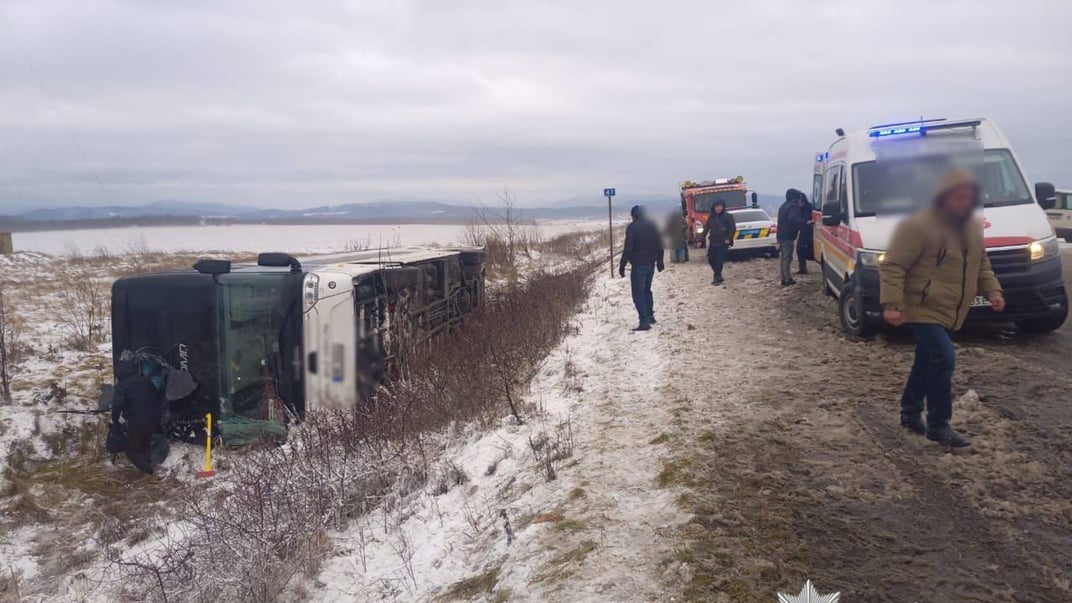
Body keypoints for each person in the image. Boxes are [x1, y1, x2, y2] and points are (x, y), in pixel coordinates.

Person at [880, 167, 1005, 448]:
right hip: (922, 306)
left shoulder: (972, 227)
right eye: (959, 196)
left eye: (969, 197)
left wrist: (993, 291)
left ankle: (910, 412)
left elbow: (980, 264)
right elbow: (893, 265)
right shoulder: (917, 225)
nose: (964, 202)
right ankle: (939, 424)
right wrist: (891, 304)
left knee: (927, 359)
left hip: (951, 307)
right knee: (944, 357)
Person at [111, 356, 164, 474]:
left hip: (138, 421)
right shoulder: (146, 380)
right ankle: (148, 465)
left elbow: (117, 405)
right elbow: (156, 397)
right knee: (145, 444)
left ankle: (149, 471)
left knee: (132, 449)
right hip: (154, 419)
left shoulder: (123, 386)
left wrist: (115, 420)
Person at [619, 205, 665, 331]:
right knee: (647, 291)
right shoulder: (652, 225)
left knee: (638, 293)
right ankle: (650, 316)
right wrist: (660, 261)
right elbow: (659, 244)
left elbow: (628, 248)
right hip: (651, 263)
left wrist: (622, 265)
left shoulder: (632, 228)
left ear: (633, 215)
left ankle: (644, 322)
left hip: (638, 265)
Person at [777, 189, 807, 286]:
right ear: (795, 198)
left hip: (780, 235)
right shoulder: (793, 207)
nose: (800, 200)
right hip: (788, 236)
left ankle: (783, 278)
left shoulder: (783, 206)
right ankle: (787, 279)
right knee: (787, 258)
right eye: (799, 198)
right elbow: (793, 218)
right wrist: (805, 222)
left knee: (783, 258)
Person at [704, 199, 736, 285]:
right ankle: (718, 275)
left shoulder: (728, 216)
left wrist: (728, 238)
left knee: (719, 260)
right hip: (713, 240)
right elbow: (706, 228)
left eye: (720, 206)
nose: (719, 208)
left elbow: (732, 229)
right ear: (714, 207)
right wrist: (700, 239)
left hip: (723, 242)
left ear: (723, 207)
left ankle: (716, 277)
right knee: (711, 259)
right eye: (717, 206)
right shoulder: (711, 217)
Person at [796, 193, 815, 275]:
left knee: (807, 249)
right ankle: (802, 269)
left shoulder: (808, 207)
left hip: (810, 231)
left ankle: (804, 268)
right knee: (799, 250)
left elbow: (808, 219)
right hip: (804, 231)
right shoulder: (799, 208)